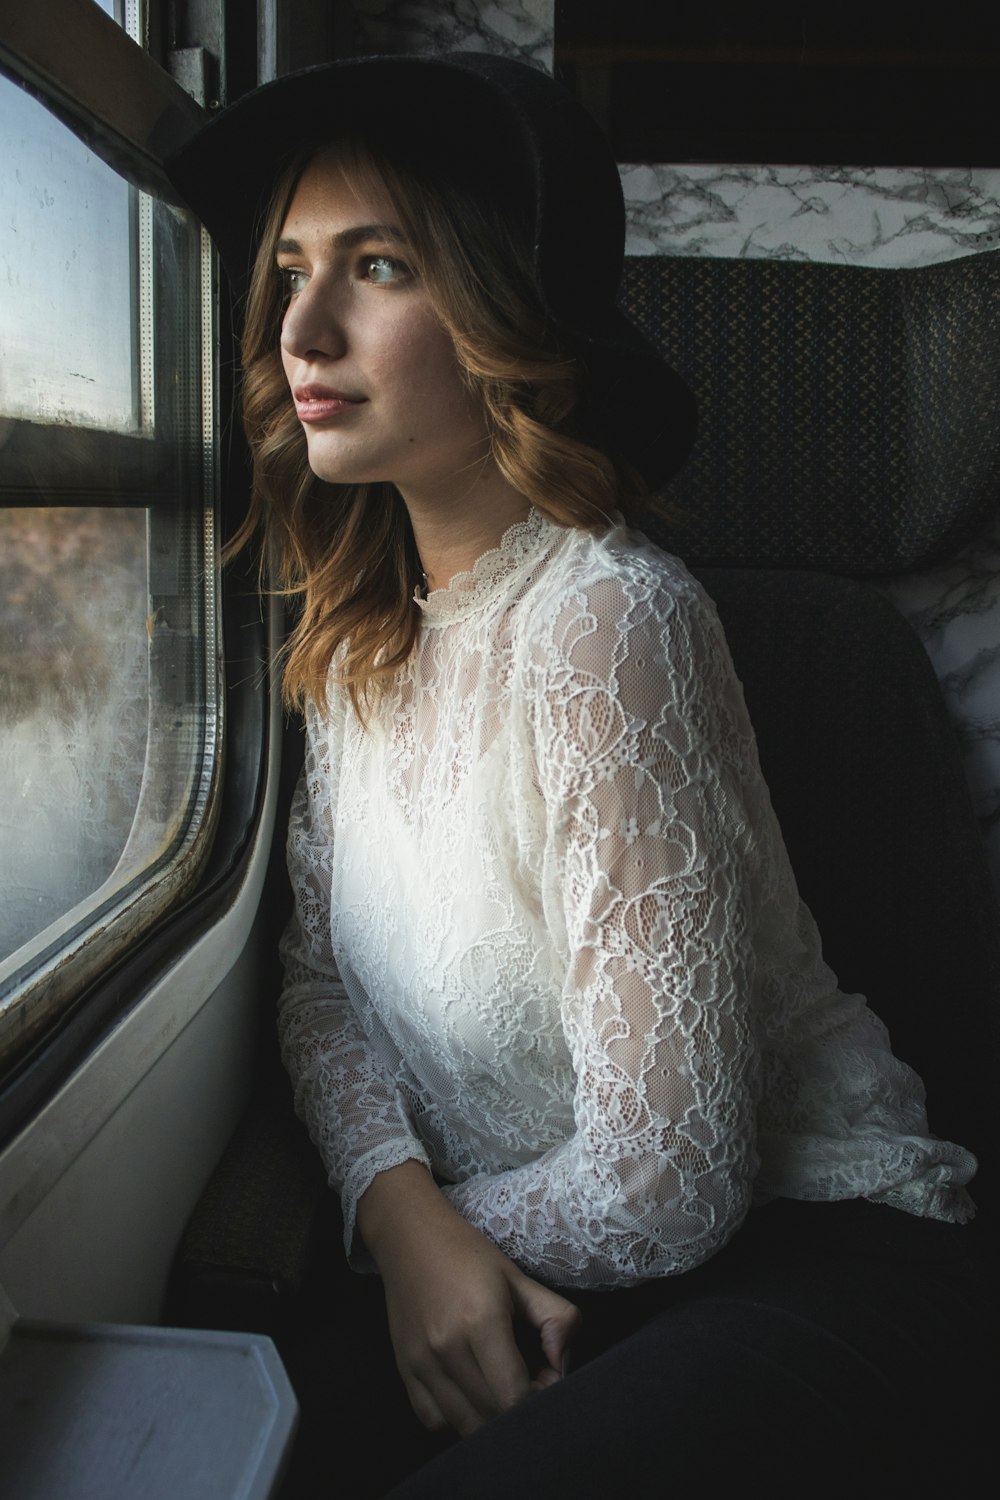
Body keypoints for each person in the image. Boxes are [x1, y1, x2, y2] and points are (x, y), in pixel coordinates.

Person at [167, 54, 987, 1497]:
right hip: (528, 1257)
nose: (300, 324)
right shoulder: (358, 645)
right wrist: (406, 1223)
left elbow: (675, 1177)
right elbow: (313, 989)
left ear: (500, 318)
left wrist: (436, 1255)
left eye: (376, 267)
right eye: (289, 270)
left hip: (810, 1256)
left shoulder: (611, 620)